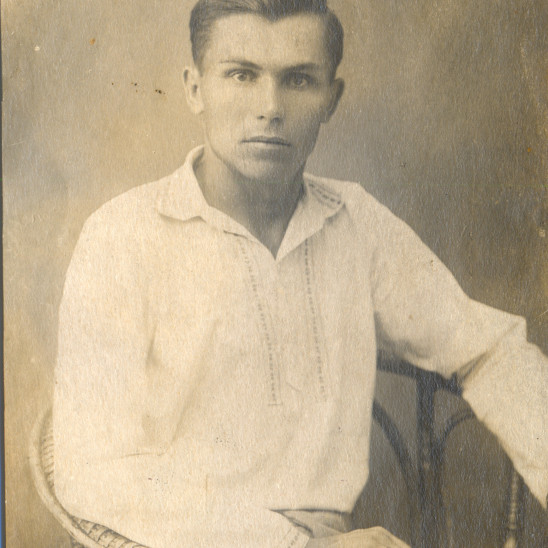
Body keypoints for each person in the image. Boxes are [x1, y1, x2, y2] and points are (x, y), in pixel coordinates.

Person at [53, 1, 547, 546]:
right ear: (195, 89)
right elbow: (91, 470)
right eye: (241, 75)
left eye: (299, 80)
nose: (270, 108)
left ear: (331, 98)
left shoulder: (355, 221)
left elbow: (489, 350)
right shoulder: (122, 236)